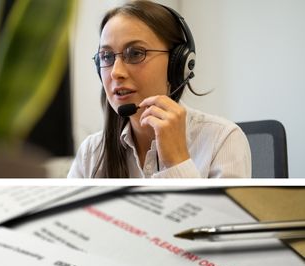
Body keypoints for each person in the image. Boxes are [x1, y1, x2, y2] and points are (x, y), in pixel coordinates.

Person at [68, 1, 251, 178]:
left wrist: (177, 161)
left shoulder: (223, 141)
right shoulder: (91, 153)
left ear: (177, 64)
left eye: (136, 53)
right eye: (106, 56)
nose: (116, 72)